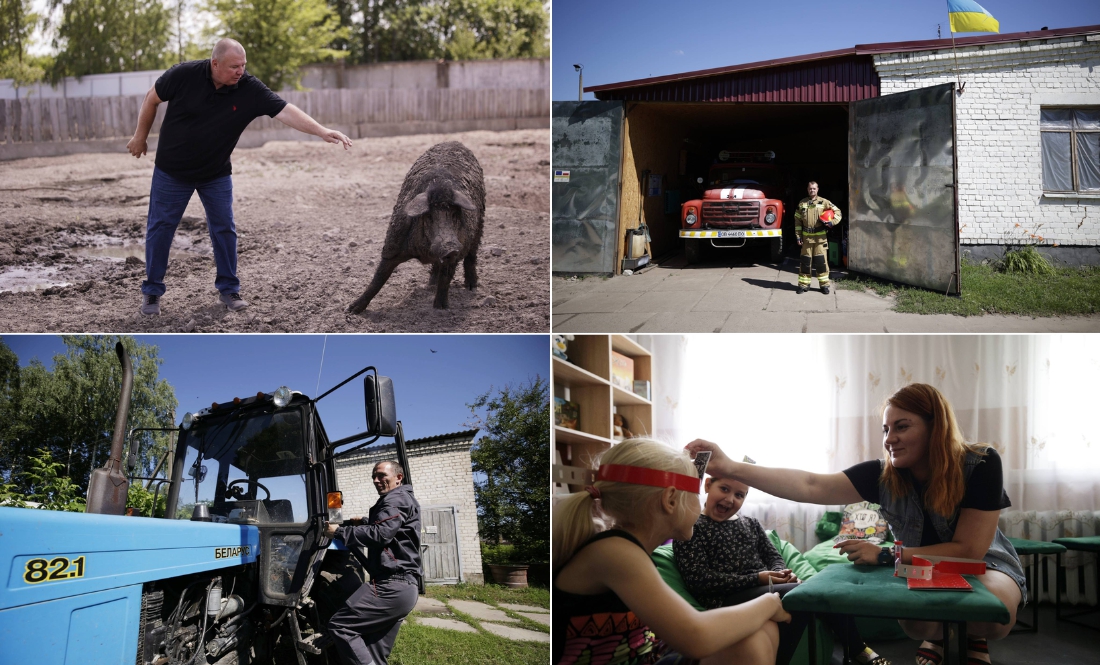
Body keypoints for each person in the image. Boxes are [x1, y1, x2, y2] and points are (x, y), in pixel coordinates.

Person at [685, 383, 1025, 665]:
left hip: (983, 565)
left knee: (994, 615)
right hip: (918, 565)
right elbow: (810, 485)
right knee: (917, 622)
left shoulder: (980, 463)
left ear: (936, 427)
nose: (889, 438)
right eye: (886, 429)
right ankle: (939, 639)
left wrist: (885, 555)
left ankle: (972, 635)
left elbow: (968, 553)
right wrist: (729, 466)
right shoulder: (882, 475)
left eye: (902, 426)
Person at [126, 38, 353, 316]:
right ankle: (152, 292)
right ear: (215, 64)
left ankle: (229, 289)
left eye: (243, 65)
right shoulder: (183, 75)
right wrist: (140, 137)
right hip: (172, 172)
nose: (240, 72)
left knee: (224, 228)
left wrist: (321, 130)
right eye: (234, 66)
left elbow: (285, 110)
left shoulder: (248, 88)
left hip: (215, 173)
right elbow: (152, 98)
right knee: (161, 228)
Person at [553, 438, 791, 665]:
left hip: (648, 654)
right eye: (695, 495)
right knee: (751, 643)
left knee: (758, 634)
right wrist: (769, 603)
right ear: (670, 499)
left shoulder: (628, 549)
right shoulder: (615, 552)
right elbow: (696, 638)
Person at [674, 473, 890, 665]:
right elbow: (699, 580)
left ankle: (855, 649)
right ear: (707, 486)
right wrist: (757, 579)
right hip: (727, 598)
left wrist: (781, 572)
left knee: (818, 592)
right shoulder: (691, 527)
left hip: (763, 587)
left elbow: (773, 556)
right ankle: (859, 651)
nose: (730, 499)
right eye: (724, 489)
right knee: (804, 595)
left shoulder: (750, 523)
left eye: (739, 495)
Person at [323, 461, 421, 665]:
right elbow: (394, 532)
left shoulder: (395, 499)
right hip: (404, 589)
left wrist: (339, 531)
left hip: (391, 586)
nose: (376, 480)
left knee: (341, 626)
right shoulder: (402, 499)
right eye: (373, 477)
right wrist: (367, 522)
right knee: (373, 654)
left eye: (381, 475)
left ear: (398, 477)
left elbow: (382, 534)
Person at [793, 181, 841, 295]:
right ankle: (803, 285)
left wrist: (832, 222)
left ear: (817, 189)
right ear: (807, 189)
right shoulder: (802, 203)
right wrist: (798, 236)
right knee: (805, 263)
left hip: (820, 239)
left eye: (814, 188)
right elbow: (797, 222)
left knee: (821, 263)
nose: (812, 190)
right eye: (810, 188)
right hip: (806, 239)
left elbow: (838, 212)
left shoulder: (824, 202)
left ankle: (824, 286)